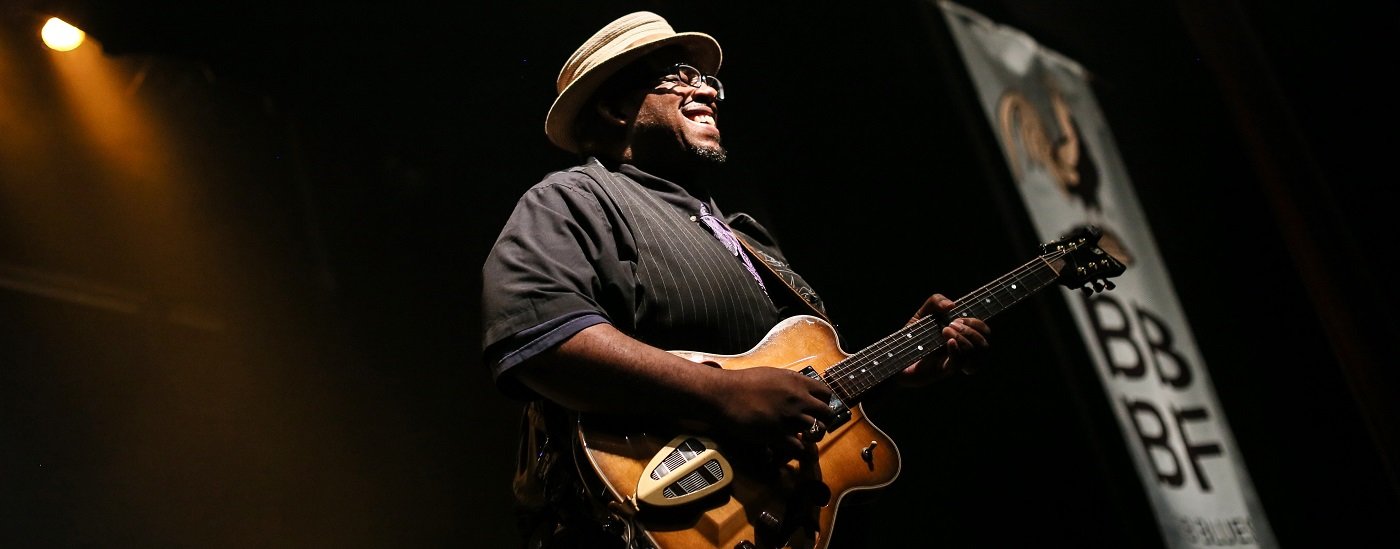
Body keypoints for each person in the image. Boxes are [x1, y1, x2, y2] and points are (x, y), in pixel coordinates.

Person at [480, 11, 990, 548]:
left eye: (707, 80)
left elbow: (787, 396)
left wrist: (891, 373)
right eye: (680, 76)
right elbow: (536, 335)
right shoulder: (574, 198)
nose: (707, 90)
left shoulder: (745, 234)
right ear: (616, 107)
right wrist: (722, 392)